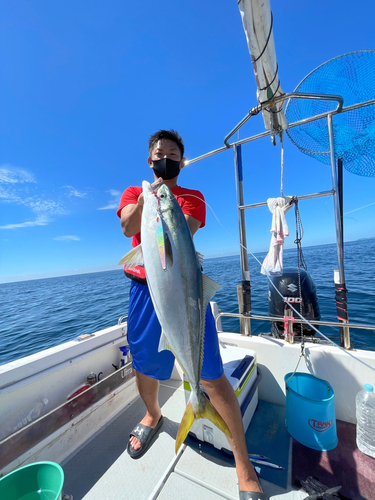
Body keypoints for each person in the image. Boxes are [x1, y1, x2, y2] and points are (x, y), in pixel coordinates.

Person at [117, 130, 265, 500]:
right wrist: (149, 197)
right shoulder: (136, 195)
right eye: (157, 153)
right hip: (143, 291)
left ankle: (244, 466)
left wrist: (162, 198)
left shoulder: (192, 198)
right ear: (149, 161)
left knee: (211, 376)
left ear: (181, 162)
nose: (163, 157)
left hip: (183, 288)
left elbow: (186, 231)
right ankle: (153, 415)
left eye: (171, 154)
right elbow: (127, 228)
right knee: (144, 365)